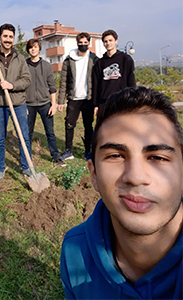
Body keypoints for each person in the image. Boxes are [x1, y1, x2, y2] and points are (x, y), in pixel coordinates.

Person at [60, 87, 183, 298]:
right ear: (94, 174)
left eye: (158, 157)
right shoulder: (75, 251)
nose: (135, 177)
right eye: (116, 155)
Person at [0, 23, 32, 183]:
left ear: (13, 38)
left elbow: (27, 79)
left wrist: (12, 85)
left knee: (24, 136)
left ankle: (26, 167)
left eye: (11, 37)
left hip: (18, 103)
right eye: (5, 36)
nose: (8, 39)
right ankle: (0, 169)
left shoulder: (20, 58)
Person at [24, 38, 64, 167]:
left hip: (45, 104)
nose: (33, 49)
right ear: (28, 50)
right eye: (31, 47)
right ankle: (26, 159)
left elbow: (52, 86)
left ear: (39, 49)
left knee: (50, 132)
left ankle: (55, 156)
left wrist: (53, 104)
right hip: (29, 105)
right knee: (27, 133)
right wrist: (23, 105)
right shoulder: (24, 65)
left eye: (35, 47)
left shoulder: (46, 65)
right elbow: (22, 86)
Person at [60, 32, 98, 162]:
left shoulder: (94, 59)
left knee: (88, 125)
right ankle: (68, 151)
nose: (82, 45)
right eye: (80, 43)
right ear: (77, 43)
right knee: (69, 124)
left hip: (88, 99)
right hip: (73, 98)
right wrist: (61, 100)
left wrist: (96, 101)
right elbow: (63, 81)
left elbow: (97, 80)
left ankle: (88, 151)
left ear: (89, 43)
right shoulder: (69, 59)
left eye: (85, 43)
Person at [91, 29, 137, 121]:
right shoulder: (99, 63)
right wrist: (96, 104)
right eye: (105, 41)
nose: (108, 43)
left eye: (110, 40)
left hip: (122, 102)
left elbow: (131, 82)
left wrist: (132, 101)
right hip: (104, 103)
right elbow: (96, 85)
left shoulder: (126, 59)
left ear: (116, 41)